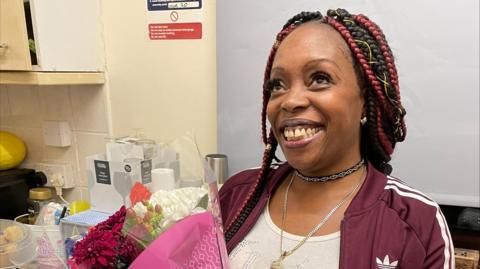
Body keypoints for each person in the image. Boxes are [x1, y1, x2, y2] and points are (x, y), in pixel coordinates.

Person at [219, 8, 454, 269]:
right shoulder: (236, 194)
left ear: (365, 101)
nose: (291, 100)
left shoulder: (416, 220)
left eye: (320, 78)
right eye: (277, 85)